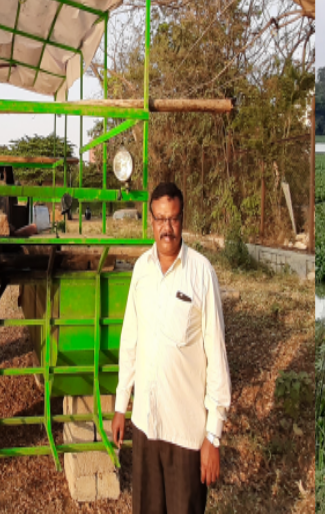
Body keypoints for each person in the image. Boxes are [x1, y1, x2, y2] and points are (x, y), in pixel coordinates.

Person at [112, 182, 231, 513]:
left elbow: (216, 357)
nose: (167, 228)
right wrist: (122, 404)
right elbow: (130, 340)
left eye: (174, 219)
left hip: (186, 436)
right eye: (161, 219)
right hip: (146, 428)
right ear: (151, 220)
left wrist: (213, 436)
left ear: (182, 220)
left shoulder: (201, 274)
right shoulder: (141, 271)